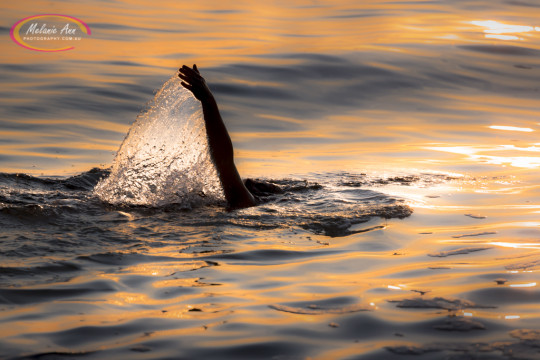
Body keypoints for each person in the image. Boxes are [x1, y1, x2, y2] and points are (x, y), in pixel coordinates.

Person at [178, 64, 258, 210]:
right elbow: (224, 164)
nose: (252, 181)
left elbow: (224, 162)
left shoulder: (246, 203)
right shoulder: (247, 204)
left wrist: (208, 101)